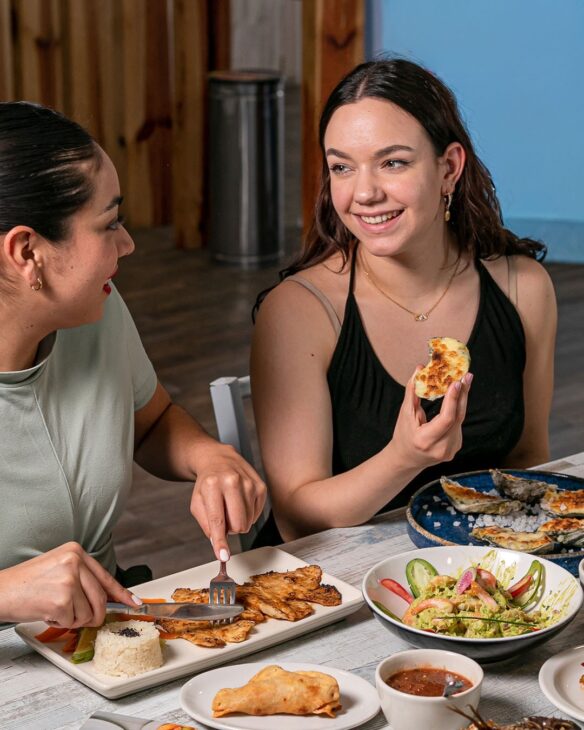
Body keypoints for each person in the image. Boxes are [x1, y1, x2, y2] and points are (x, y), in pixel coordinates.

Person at [251, 59, 556, 545]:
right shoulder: (298, 311)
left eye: (392, 162)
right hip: (332, 573)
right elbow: (296, 519)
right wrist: (404, 458)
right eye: (342, 167)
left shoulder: (525, 289)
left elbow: (527, 460)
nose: (364, 193)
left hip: (470, 566)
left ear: (449, 168)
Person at [0, 102, 266, 628]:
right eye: (109, 224)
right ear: (27, 252)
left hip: (105, 632)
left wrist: (209, 457)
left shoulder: (94, 309)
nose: (128, 244)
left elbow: (151, 422)